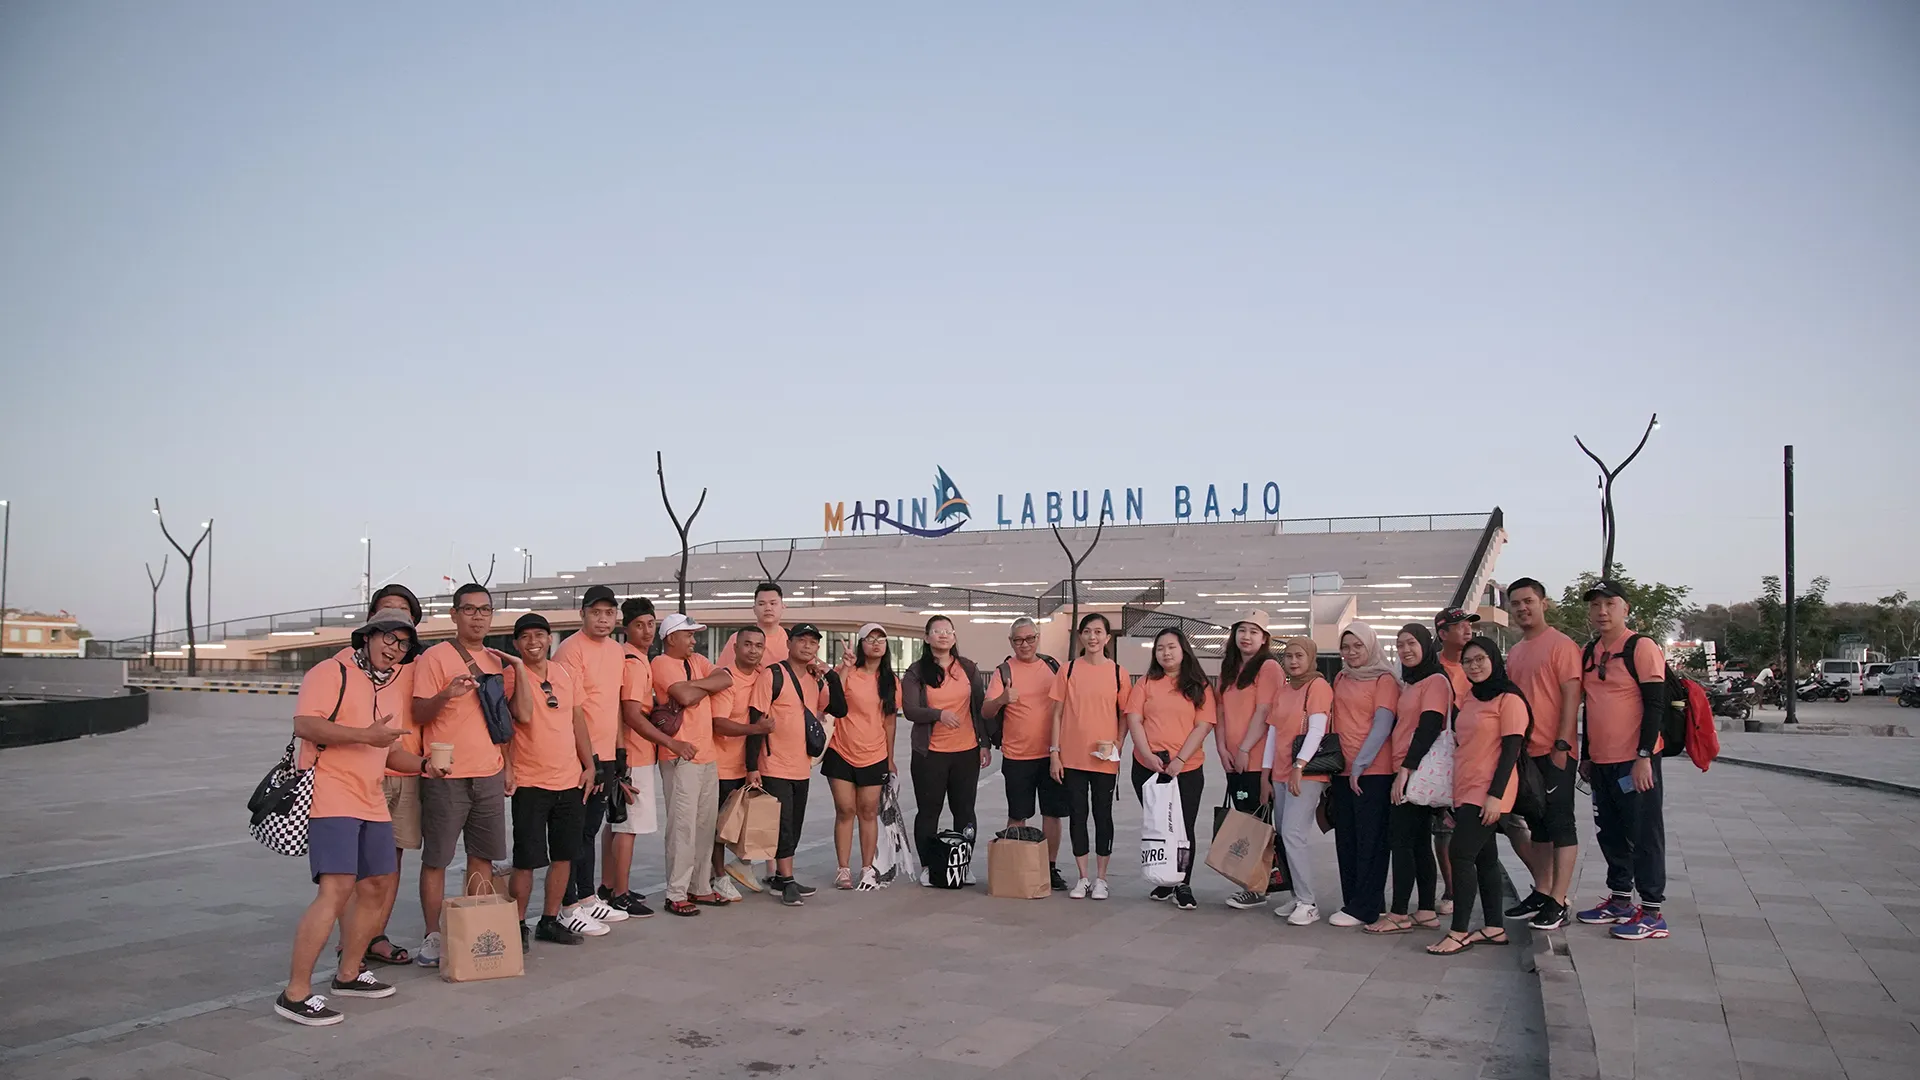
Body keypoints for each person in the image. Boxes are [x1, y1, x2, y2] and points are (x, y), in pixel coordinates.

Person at [276, 608, 445, 1026]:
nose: (396, 649)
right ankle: (295, 993)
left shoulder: (386, 687)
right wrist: (363, 735)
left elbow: (389, 752)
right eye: (389, 638)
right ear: (367, 636)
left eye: (404, 644)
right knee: (336, 890)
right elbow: (305, 725)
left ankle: (349, 974)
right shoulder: (330, 671)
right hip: (331, 795)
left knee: (377, 886)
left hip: (370, 798)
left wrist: (424, 765)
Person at [409, 584, 512, 969]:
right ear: (454, 615)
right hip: (445, 774)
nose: (478, 616)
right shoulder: (434, 658)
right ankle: (432, 933)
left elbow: (500, 722)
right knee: (437, 858)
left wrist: (507, 767)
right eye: (469, 609)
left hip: (488, 771)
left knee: (482, 856)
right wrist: (446, 695)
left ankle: (473, 924)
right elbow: (419, 713)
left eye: (484, 610)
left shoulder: (496, 661)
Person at [1574, 580, 1671, 941]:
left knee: (1644, 833)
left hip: (1635, 761)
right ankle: (1619, 900)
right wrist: (1586, 756)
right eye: (1596, 605)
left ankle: (1652, 912)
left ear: (1625, 608)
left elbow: (1655, 705)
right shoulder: (1589, 651)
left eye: (1610, 604)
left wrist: (1644, 756)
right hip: (1601, 762)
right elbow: (1591, 708)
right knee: (1610, 833)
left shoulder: (1641, 648)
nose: (1602, 611)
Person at [334, 585, 423, 970]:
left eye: (402, 613)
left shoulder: (416, 665)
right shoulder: (343, 663)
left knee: (390, 863)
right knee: (353, 867)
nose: (394, 620)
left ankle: (374, 936)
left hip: (403, 767)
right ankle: (349, 944)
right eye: (386, 613)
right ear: (370, 623)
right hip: (359, 774)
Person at [1427, 637, 1528, 955]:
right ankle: (1494, 928)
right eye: (1468, 661)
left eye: (1480, 659)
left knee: (1460, 854)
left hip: (1489, 790)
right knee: (1485, 858)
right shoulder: (1470, 698)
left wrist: (1495, 797)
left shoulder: (1509, 699)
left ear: (1495, 659)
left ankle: (1458, 932)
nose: (1474, 666)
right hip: (1465, 788)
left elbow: (1511, 750)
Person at [501, 614, 596, 947]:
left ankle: (550, 920)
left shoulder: (564, 674)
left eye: (540, 635)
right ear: (516, 644)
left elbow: (577, 720)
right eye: (525, 637)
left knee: (564, 855)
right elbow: (518, 717)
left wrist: (590, 764)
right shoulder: (510, 677)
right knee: (527, 859)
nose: (533, 642)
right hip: (530, 781)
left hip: (568, 778)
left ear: (549, 639)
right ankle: (518, 925)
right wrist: (508, 768)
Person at [550, 585, 634, 927]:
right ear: (582, 614)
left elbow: (612, 702)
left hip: (607, 753)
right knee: (574, 830)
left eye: (609, 613)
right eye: (596, 612)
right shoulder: (570, 650)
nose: (603, 619)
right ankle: (567, 902)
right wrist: (588, 760)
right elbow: (573, 710)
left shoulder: (616, 651)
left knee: (590, 828)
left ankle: (587, 895)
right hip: (579, 754)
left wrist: (619, 747)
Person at [1502, 577, 1583, 931]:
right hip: (1526, 753)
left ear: (1543, 603)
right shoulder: (1517, 651)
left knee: (1561, 824)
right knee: (1538, 825)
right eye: (1516, 603)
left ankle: (1559, 900)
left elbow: (1571, 697)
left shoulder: (1561, 646)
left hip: (1555, 750)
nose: (1522, 608)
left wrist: (1563, 745)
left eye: (1528, 601)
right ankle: (1543, 890)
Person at [1235, 637, 1332, 925]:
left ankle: (1308, 901)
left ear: (1311, 657)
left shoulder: (1318, 687)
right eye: (1288, 656)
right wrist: (1265, 775)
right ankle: (1296, 894)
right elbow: (1274, 734)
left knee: (1293, 833)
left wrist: (1299, 766)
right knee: (1284, 835)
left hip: (1306, 773)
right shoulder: (1284, 690)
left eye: (1299, 655)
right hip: (1279, 774)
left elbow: (1317, 730)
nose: (1293, 661)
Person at [1123, 627, 1215, 910]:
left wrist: (1179, 761)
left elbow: (1204, 725)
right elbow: (1134, 720)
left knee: (1182, 828)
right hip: (1147, 767)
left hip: (1185, 769)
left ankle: (1183, 882)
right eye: (1160, 648)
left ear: (1183, 650)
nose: (1166, 653)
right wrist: (1148, 755)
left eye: (1171, 647)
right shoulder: (1146, 684)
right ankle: (1165, 880)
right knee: (1159, 825)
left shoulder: (1199, 685)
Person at [651, 612, 735, 916]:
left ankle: (699, 886)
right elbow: (684, 696)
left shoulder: (696, 660)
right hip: (680, 756)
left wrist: (696, 686)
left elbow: (726, 678)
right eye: (688, 635)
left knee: (704, 826)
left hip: (707, 755)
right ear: (671, 638)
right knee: (682, 827)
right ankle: (675, 892)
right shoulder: (661, 664)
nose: (694, 640)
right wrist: (703, 687)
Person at [1369, 624, 1450, 935]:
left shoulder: (1435, 681)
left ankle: (1400, 912)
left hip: (1414, 771)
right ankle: (1426, 910)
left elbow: (1430, 725)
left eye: (1412, 643)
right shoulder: (1411, 683)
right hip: (1408, 768)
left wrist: (1405, 769)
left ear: (1426, 645)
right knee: (1417, 843)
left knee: (1401, 842)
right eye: (1401, 645)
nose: (1405, 650)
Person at [1049, 612, 1131, 900]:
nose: (1092, 637)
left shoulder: (1118, 673)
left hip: (1105, 759)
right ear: (1080, 636)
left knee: (1102, 815)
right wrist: (1054, 753)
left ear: (1107, 638)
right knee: (1078, 815)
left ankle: (1102, 878)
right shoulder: (1068, 670)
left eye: (1098, 632)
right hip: (1072, 757)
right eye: (1087, 632)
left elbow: (1125, 715)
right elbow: (1056, 714)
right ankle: (1083, 877)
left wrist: (1118, 742)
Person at [902, 614, 987, 887]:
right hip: (931, 754)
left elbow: (980, 708)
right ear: (927, 638)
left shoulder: (968, 669)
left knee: (965, 810)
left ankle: (963, 863)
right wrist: (938, 714)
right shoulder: (916, 672)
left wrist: (984, 743)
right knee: (929, 811)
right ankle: (929, 865)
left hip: (966, 752)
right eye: (936, 631)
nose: (943, 635)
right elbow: (910, 710)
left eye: (948, 631)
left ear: (954, 637)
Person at [984, 617, 1068, 891]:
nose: (1025, 644)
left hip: (1051, 754)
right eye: (1019, 640)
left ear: (1037, 638)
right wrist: (1001, 700)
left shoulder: (1052, 666)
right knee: (1018, 814)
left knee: (1052, 813)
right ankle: (1015, 865)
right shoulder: (1004, 671)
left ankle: (1050, 866)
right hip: (1017, 756)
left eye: (1030, 638)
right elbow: (986, 711)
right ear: (1011, 642)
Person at [1327, 627, 1399, 929]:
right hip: (1341, 770)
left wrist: (1360, 764)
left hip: (1372, 772)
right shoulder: (1341, 677)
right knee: (1347, 839)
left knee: (1371, 840)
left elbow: (1382, 726)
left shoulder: (1384, 680)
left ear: (1370, 646)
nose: (1352, 651)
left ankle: (1366, 907)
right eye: (1346, 646)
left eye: (1358, 645)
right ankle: (1356, 899)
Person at [1216, 611, 1284, 911]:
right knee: (1244, 820)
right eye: (1241, 630)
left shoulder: (1268, 667)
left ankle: (1257, 887)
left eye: (1254, 632)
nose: (1246, 636)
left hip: (1255, 760)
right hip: (1234, 759)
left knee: (1256, 821)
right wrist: (1222, 748)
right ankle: (1252, 882)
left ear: (1264, 638)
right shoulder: (1229, 669)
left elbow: (1264, 712)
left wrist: (1244, 748)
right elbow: (1219, 712)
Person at [825, 623, 898, 891]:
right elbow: (831, 699)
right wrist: (844, 667)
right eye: (870, 639)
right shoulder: (848, 673)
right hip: (841, 750)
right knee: (845, 810)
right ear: (861, 644)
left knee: (868, 811)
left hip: (874, 753)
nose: (876, 643)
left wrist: (890, 759)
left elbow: (890, 722)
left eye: (881, 639)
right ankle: (842, 869)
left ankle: (868, 868)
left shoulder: (890, 681)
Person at [602, 597, 660, 916]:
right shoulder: (634, 663)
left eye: (651, 624)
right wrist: (671, 742)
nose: (647, 630)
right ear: (627, 628)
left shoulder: (627, 657)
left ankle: (610, 885)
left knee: (614, 824)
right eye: (640, 625)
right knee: (628, 826)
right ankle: (619, 894)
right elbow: (632, 715)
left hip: (621, 752)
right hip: (633, 755)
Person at [710, 625, 771, 899]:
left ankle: (742, 865)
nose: (753, 650)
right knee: (719, 825)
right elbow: (719, 723)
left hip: (748, 764)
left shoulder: (762, 676)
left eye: (758, 645)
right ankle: (718, 876)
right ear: (734, 648)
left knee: (747, 822)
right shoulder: (726, 679)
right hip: (720, 764)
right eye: (747, 644)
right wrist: (756, 730)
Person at [1430, 607, 1479, 913]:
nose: (1467, 630)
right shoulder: (1431, 667)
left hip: (1477, 749)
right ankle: (1450, 891)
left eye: (1469, 625)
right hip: (1442, 751)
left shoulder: (1477, 661)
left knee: (1509, 822)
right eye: (1459, 626)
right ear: (1442, 633)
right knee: (1443, 826)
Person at [719, 582, 789, 670]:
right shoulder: (738, 638)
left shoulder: (792, 639)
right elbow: (721, 673)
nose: (768, 608)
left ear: (783, 606)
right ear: (754, 609)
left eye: (773, 603)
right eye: (761, 604)